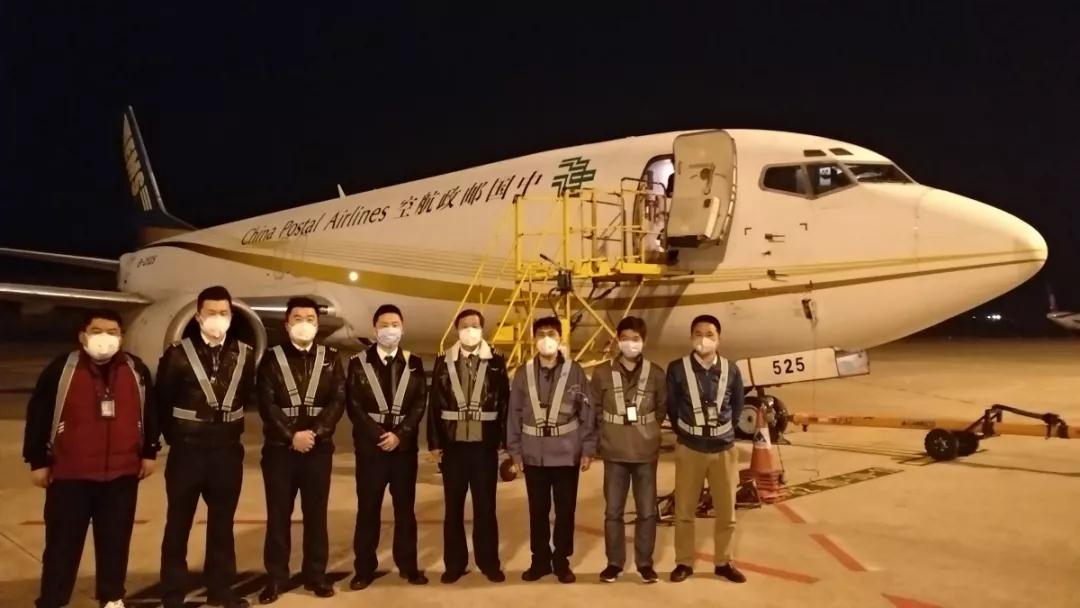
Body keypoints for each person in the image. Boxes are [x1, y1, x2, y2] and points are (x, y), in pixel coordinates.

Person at [23, 309, 159, 608]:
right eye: (97, 331)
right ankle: (53, 600)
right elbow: (38, 414)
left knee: (115, 542)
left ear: (122, 337)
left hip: (121, 475)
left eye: (112, 332)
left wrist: (150, 451)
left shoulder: (136, 370)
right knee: (62, 545)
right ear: (83, 336)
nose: (105, 338)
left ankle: (112, 597)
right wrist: (37, 460)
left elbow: (149, 412)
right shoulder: (62, 369)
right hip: (71, 474)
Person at [157, 286, 257, 608]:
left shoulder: (245, 354)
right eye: (211, 313)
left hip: (226, 452)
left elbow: (246, 395)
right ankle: (173, 593)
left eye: (223, 313)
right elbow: (162, 401)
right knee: (178, 525)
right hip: (187, 452)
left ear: (231, 316)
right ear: (198, 317)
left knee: (222, 526)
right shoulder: (177, 354)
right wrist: (177, 437)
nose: (217, 318)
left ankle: (221, 589)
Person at [256, 297, 346, 603]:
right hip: (280, 451)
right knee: (278, 517)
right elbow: (267, 403)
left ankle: (315, 576)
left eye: (310, 319)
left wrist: (315, 434)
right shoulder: (271, 358)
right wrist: (292, 435)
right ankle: (276, 578)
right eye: (297, 318)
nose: (304, 324)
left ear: (318, 325)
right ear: (286, 324)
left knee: (316, 516)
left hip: (318, 451)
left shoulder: (331, 358)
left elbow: (338, 400)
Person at [506, 316, 597, 584]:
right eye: (541, 333)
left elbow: (587, 412)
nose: (546, 338)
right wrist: (515, 452)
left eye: (552, 333)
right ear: (534, 339)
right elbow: (514, 414)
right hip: (534, 455)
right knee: (538, 511)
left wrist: (588, 448)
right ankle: (540, 561)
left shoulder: (575, 371)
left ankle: (561, 561)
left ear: (560, 338)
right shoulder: (523, 373)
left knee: (565, 511)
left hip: (567, 454)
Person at [346, 304, 428, 589]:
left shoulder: (414, 362)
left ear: (402, 328)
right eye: (384, 325)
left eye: (395, 324)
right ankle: (364, 569)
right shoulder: (358, 363)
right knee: (368, 510)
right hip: (371, 450)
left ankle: (409, 566)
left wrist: (400, 435)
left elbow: (420, 403)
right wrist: (380, 435)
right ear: (374, 329)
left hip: (403, 450)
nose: (389, 329)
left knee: (405, 511)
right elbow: (354, 405)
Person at [426, 309, 509, 584]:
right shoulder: (444, 360)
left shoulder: (496, 361)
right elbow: (434, 403)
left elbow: (504, 402)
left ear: (482, 329)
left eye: (475, 325)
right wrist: (435, 442)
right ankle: (455, 564)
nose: (470, 330)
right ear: (456, 329)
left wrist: (505, 440)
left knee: (486, 508)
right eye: (464, 325)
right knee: (453, 509)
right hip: (453, 447)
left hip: (484, 447)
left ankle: (489, 563)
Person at [666, 314, 746, 584]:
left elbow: (737, 406)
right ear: (691, 338)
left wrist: (723, 432)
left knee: (727, 512)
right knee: (684, 511)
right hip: (690, 448)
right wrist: (689, 433)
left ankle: (723, 562)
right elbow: (672, 407)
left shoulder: (731, 370)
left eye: (710, 334)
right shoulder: (677, 369)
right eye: (698, 334)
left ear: (719, 339)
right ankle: (684, 562)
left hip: (724, 450)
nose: (704, 339)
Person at [591, 316, 667, 584]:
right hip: (614, 452)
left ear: (644, 341)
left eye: (635, 339)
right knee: (613, 512)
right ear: (617, 340)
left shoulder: (656, 374)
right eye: (625, 338)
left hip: (646, 453)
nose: (630, 344)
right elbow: (595, 409)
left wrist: (647, 431)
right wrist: (605, 437)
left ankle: (645, 564)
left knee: (647, 511)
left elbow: (661, 409)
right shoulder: (602, 373)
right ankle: (614, 563)